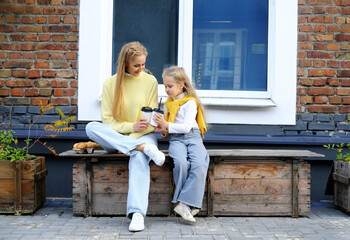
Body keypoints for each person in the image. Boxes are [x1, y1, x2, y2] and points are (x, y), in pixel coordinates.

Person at [85, 41, 165, 232]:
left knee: (138, 155)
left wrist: (135, 137)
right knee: (91, 127)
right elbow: (108, 122)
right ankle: (140, 147)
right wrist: (130, 128)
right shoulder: (110, 84)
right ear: (125, 64)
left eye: (143, 64)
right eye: (136, 65)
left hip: (142, 136)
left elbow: (150, 122)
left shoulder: (150, 81)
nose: (141, 69)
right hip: (117, 138)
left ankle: (137, 214)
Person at [153, 66, 209, 223]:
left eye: (170, 86)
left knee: (199, 163)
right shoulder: (168, 103)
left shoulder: (190, 103)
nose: (167, 89)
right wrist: (162, 129)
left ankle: (183, 203)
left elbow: (186, 127)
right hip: (177, 139)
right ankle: (189, 205)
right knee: (181, 163)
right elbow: (169, 127)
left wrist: (166, 125)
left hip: (193, 137)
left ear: (181, 84)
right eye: (165, 86)